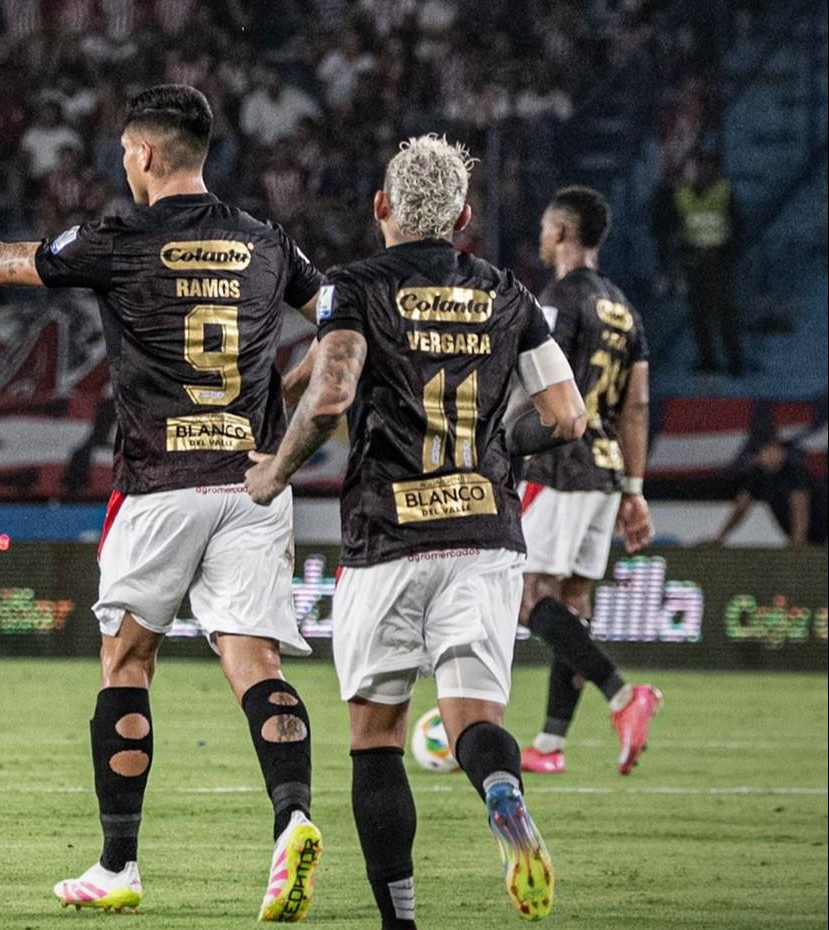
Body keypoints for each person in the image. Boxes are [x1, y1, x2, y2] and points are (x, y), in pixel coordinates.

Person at [0, 84, 327, 921]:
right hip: (252, 483)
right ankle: (293, 819)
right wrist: (279, 403)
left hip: (160, 486)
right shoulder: (265, 241)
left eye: (125, 152)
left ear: (142, 154)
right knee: (257, 665)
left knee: (127, 663)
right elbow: (345, 328)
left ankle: (117, 865)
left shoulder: (120, 238)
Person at [244, 135, 587, 926]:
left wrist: (275, 470)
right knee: (474, 722)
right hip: (484, 535)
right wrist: (501, 444)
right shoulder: (506, 292)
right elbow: (567, 417)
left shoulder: (355, 287)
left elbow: (333, 394)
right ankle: (501, 792)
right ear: (463, 217)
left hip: (387, 534)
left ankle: (398, 919)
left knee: (376, 738)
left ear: (380, 206)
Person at [517, 186, 663, 777]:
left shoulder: (558, 298)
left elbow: (538, 381)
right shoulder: (624, 309)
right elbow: (637, 407)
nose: (541, 236)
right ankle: (550, 744)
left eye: (545, 227)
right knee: (572, 605)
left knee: (530, 599)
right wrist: (634, 489)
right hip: (604, 470)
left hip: (558, 464)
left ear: (561, 232)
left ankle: (623, 695)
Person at [671, 152, 742, 376]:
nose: (703, 172)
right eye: (700, 167)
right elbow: (674, 226)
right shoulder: (682, 195)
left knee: (725, 313)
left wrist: (730, 254)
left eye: (708, 167)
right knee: (699, 314)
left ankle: (734, 359)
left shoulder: (724, 193)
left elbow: (738, 225)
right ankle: (707, 359)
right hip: (694, 261)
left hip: (718, 260)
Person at [707, 428, 828, 547]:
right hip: (799, 534)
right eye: (764, 451)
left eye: (772, 449)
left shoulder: (794, 468)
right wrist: (720, 538)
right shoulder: (758, 473)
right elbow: (741, 506)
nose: (769, 455)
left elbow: (799, 506)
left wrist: (798, 542)